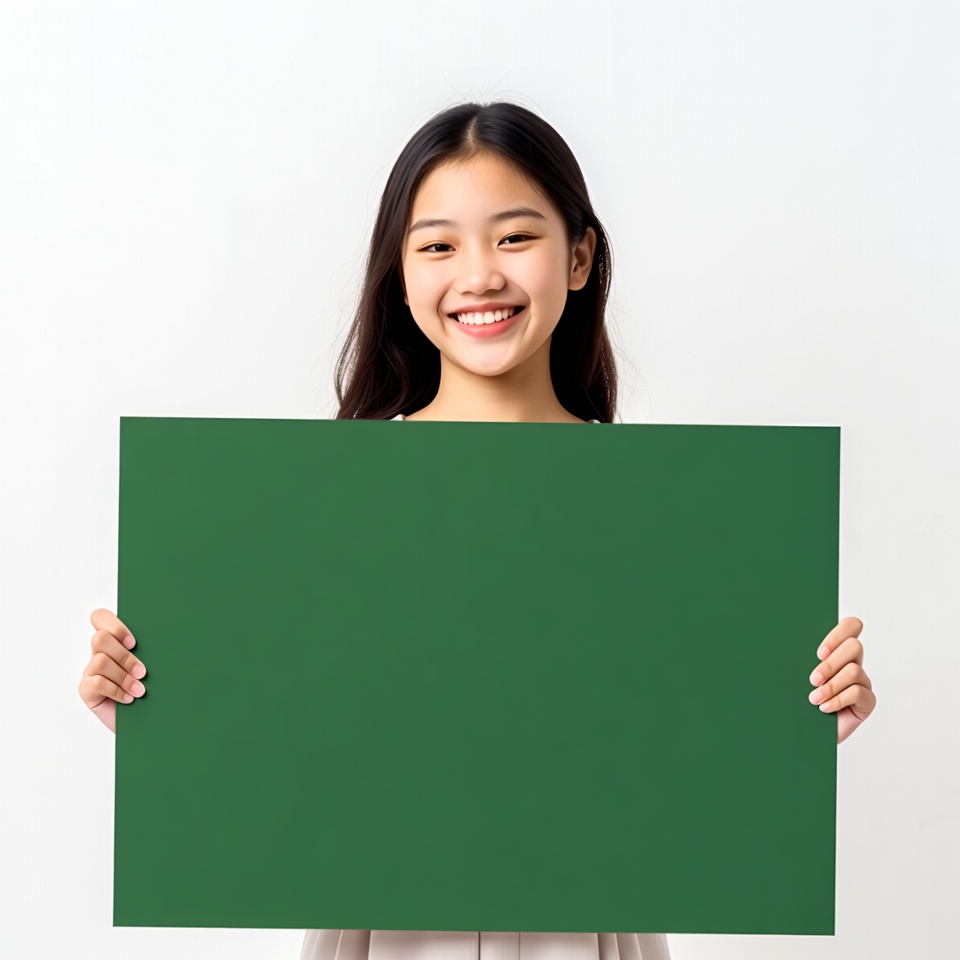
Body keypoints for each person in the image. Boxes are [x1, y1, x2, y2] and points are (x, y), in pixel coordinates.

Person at [78, 100, 878, 960]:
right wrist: (160, 715)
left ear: (579, 258)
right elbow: (291, 750)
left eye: (514, 237)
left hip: (590, 923)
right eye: (437, 245)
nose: (479, 275)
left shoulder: (668, 518)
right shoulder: (325, 508)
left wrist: (793, 723)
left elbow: (680, 763)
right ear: (400, 271)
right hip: (384, 930)